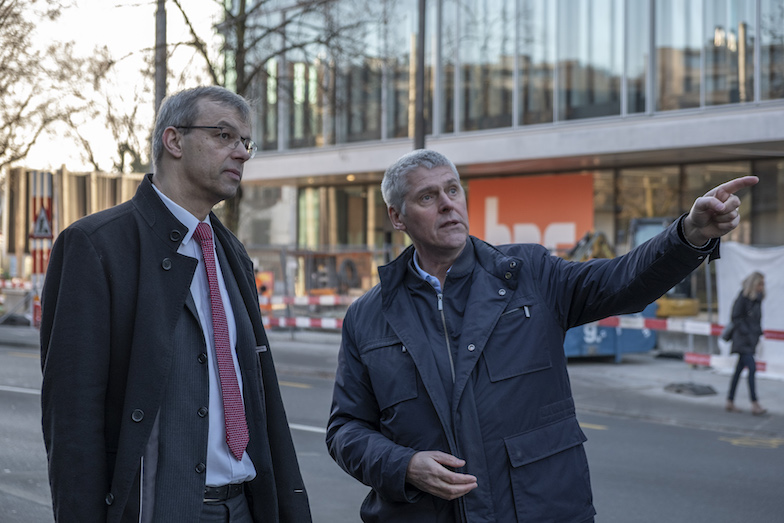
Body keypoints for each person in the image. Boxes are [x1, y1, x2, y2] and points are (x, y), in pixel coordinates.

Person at [326, 149, 758, 522]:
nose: (447, 205)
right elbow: (346, 428)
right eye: (427, 196)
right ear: (397, 216)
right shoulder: (368, 316)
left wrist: (689, 235)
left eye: (453, 190)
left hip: (541, 510)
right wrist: (403, 465)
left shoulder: (528, 273)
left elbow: (622, 281)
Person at [40, 86, 312, 522]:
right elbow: (72, 420)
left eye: (246, 142)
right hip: (160, 508)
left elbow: (260, 399)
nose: (241, 152)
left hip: (245, 506)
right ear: (174, 141)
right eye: (224, 135)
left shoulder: (231, 254)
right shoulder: (95, 246)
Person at [725, 271, 767, 416]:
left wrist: (759, 335)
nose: (762, 286)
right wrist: (747, 333)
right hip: (742, 340)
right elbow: (736, 316)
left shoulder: (757, 299)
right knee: (752, 368)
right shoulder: (743, 297)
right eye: (760, 283)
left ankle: (730, 400)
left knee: (738, 371)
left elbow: (756, 321)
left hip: (751, 340)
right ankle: (755, 403)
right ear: (754, 283)